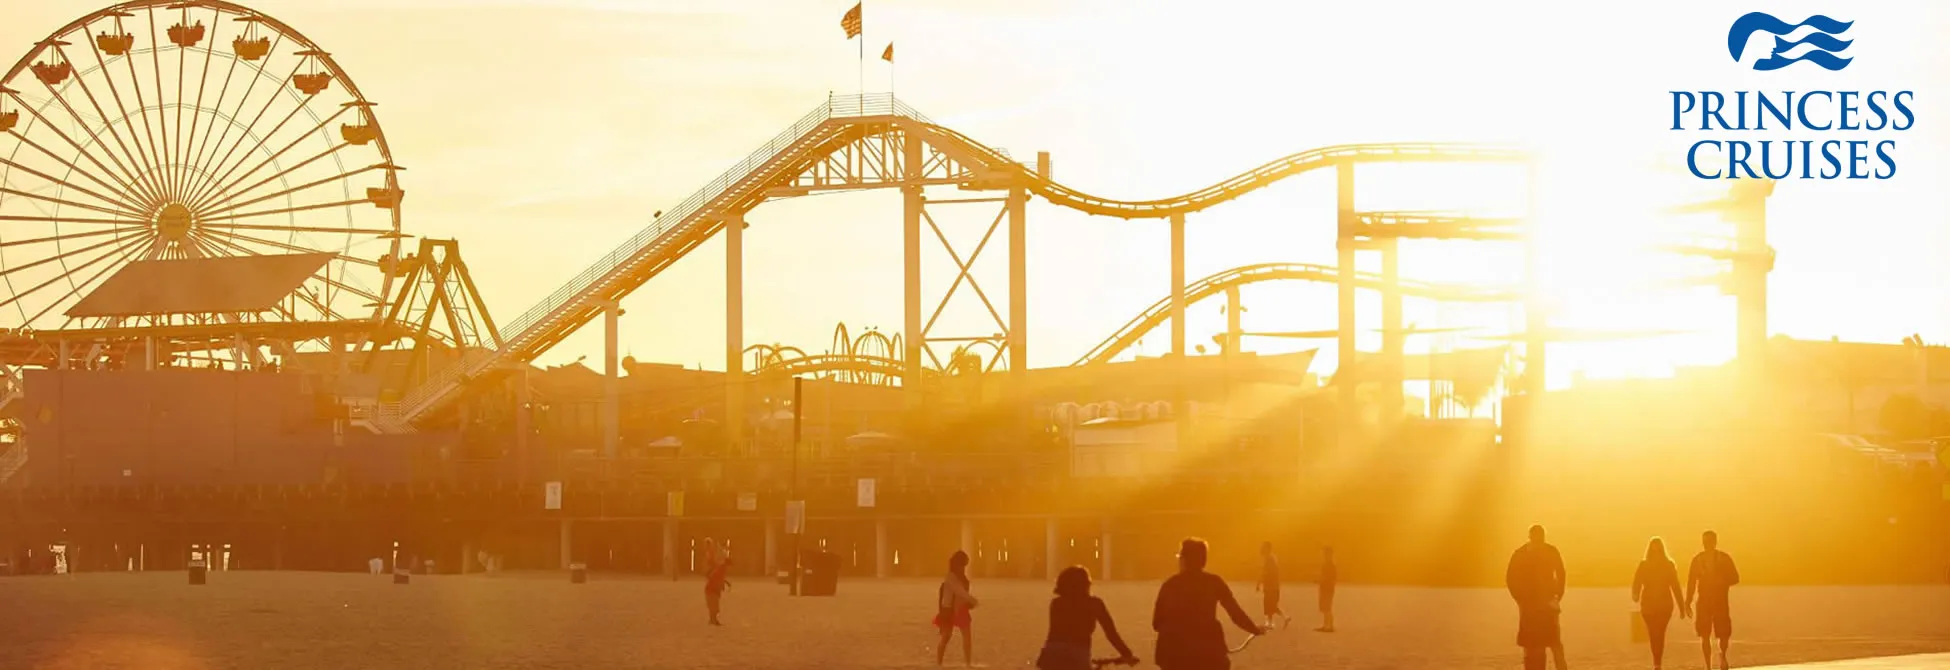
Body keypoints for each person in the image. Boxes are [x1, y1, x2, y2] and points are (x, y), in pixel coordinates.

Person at [1152, 538, 1268, 670]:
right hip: (1209, 653)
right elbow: (1235, 613)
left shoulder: (1169, 585)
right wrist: (1253, 629)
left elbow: (1156, 623)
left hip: (1174, 657)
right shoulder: (1214, 582)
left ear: (1184, 560)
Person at [1035, 566, 1137, 670]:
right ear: (1086, 584)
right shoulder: (1094, 604)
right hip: (1078, 654)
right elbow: (1111, 634)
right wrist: (1127, 654)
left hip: (1051, 653)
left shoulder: (1056, 604)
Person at [1506, 524, 1567, 670]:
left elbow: (1561, 573)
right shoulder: (1521, 554)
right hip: (1530, 604)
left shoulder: (1549, 551)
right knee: (1532, 643)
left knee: (1553, 642)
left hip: (1545, 603)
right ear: (1531, 538)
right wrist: (1519, 598)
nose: (1538, 543)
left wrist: (1558, 596)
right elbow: (1510, 577)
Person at [1686, 530, 1740, 670]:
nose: (1707, 544)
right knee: (1704, 634)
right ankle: (1708, 665)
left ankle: (1723, 654)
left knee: (1724, 633)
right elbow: (1691, 582)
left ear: (1715, 542)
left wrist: (1722, 581)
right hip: (1704, 601)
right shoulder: (1697, 560)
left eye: (1709, 541)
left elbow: (1735, 577)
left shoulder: (1724, 558)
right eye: (1705, 541)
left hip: (1720, 600)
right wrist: (1688, 601)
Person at [1631, 537, 1686, 670]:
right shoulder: (1650, 565)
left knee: (1657, 634)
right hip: (1653, 606)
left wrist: (1682, 606)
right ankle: (1657, 662)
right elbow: (1637, 582)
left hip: (1661, 606)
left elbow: (1675, 586)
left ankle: (1657, 662)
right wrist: (1636, 594)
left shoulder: (1665, 565)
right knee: (1656, 634)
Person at [933, 550, 979, 666]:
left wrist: (969, 603)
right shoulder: (950, 577)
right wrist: (972, 600)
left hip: (960, 609)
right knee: (946, 637)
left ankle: (968, 663)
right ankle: (939, 663)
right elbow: (960, 591)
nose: (963, 568)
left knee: (967, 637)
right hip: (948, 610)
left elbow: (962, 592)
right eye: (962, 565)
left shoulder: (961, 577)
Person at [1254, 542, 1290, 631]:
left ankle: (1272, 622)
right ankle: (1282, 618)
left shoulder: (1269, 559)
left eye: (1263, 547)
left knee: (1269, 604)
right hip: (1273, 586)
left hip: (1270, 586)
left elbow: (1265, 573)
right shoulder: (1273, 558)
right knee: (1271, 605)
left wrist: (1259, 583)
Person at [704, 553, 732, 626]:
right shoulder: (721, 569)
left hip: (713, 589)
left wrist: (726, 583)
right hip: (711, 589)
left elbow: (719, 578)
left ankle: (712, 620)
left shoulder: (721, 568)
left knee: (714, 606)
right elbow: (712, 576)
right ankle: (713, 620)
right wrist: (718, 584)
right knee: (714, 606)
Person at [1316, 545, 1338, 633]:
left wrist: (1322, 580)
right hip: (1324, 587)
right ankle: (1325, 625)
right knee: (1324, 607)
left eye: (1325, 553)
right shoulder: (1326, 564)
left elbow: (1331, 577)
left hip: (1328, 588)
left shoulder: (1331, 564)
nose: (1324, 555)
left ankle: (1330, 626)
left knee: (1327, 607)